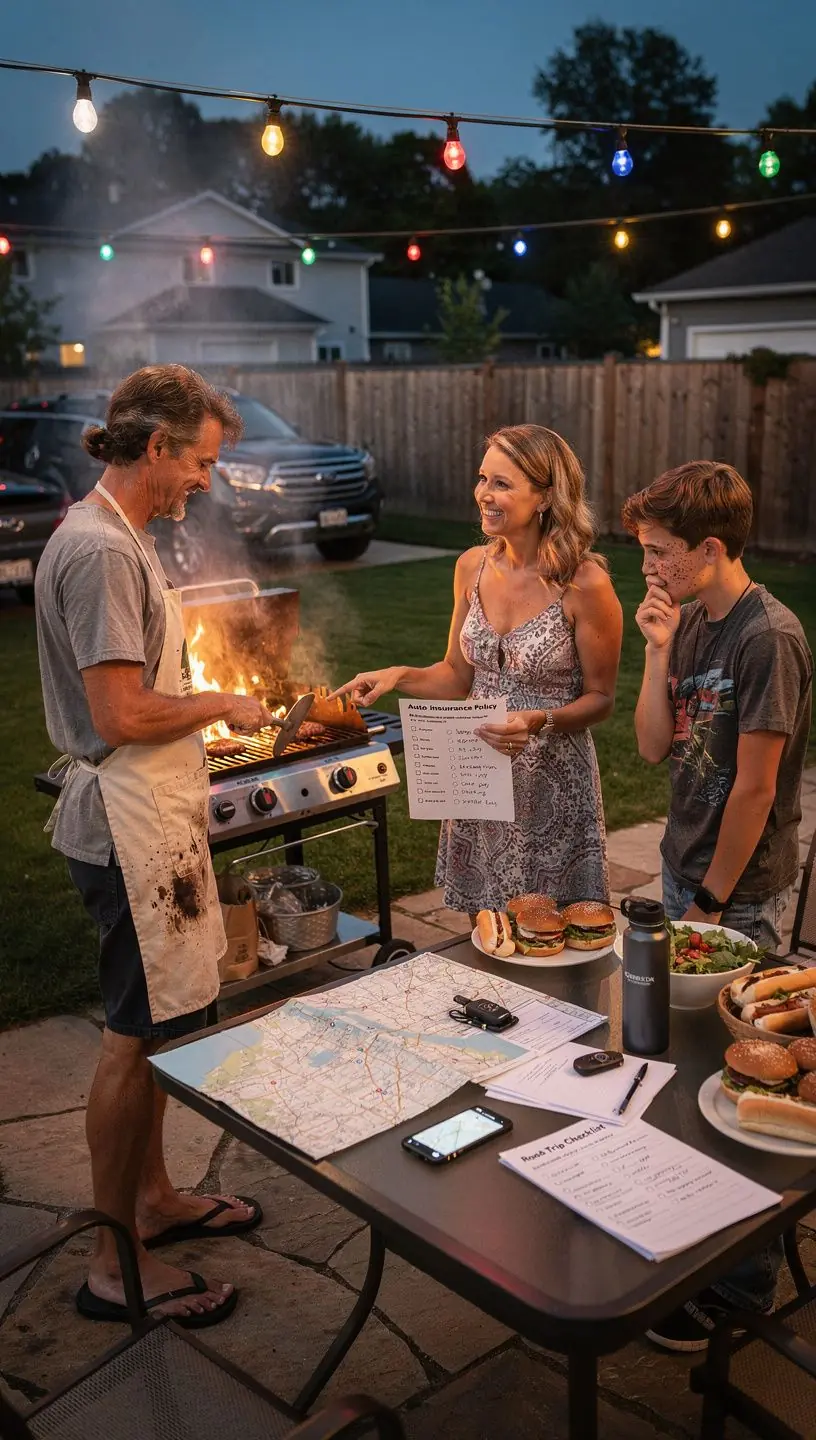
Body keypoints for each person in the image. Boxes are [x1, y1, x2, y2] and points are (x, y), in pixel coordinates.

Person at [35, 365, 274, 1328]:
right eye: (202, 463)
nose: (206, 482)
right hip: (123, 830)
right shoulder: (98, 549)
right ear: (159, 447)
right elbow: (120, 711)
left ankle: (157, 1199)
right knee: (132, 1042)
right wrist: (220, 701)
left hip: (153, 820)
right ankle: (112, 1257)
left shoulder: (121, 536)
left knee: (164, 1026)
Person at [623, 459, 813, 1351]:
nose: (648, 568)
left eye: (660, 553)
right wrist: (657, 648)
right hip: (682, 875)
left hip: (737, 894)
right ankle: (695, 1240)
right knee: (681, 1069)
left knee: (745, 1088)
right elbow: (656, 749)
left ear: (709, 547)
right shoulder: (693, 625)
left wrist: (709, 902)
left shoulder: (766, 637)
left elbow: (756, 787)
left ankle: (741, 1293)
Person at [332, 424, 622, 913]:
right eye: (482, 478)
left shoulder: (585, 584)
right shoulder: (471, 567)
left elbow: (602, 699)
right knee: (484, 934)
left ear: (546, 496)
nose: (484, 494)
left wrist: (538, 721)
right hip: (478, 775)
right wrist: (397, 675)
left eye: (502, 484)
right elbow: (456, 675)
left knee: (553, 936)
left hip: (549, 789)